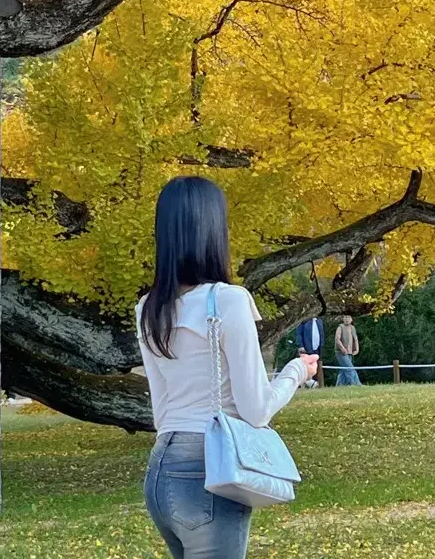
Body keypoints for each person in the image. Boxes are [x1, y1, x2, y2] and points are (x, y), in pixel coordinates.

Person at [136, 176, 319, 559]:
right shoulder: (228, 301)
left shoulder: (148, 308)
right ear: (213, 231)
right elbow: (255, 410)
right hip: (209, 469)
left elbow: (160, 412)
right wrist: (296, 373)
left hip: (161, 468)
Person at [295, 317, 325, 389]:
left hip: (317, 349)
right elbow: (298, 334)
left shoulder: (319, 321)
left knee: (316, 368)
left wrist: (322, 346)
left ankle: (316, 386)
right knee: (305, 369)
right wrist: (300, 345)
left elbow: (322, 335)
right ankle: (304, 387)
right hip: (306, 349)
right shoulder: (304, 321)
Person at [334, 315, 362, 386]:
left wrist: (357, 349)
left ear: (351, 319)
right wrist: (342, 348)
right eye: (345, 317)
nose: (347, 319)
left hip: (350, 352)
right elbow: (337, 339)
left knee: (343, 369)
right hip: (341, 352)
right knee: (350, 368)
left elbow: (355, 339)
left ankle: (339, 385)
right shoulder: (340, 327)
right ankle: (356, 384)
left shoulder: (352, 328)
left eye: (349, 317)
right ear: (343, 319)